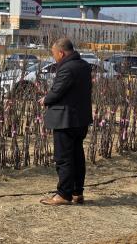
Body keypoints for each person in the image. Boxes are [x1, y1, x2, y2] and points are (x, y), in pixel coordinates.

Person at [38, 38, 92, 206]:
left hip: (66, 120)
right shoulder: (84, 65)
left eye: (54, 54)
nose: (54, 57)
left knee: (64, 157)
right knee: (77, 156)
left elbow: (57, 92)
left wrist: (45, 99)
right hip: (80, 118)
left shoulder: (67, 68)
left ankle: (64, 194)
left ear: (61, 53)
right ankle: (77, 192)